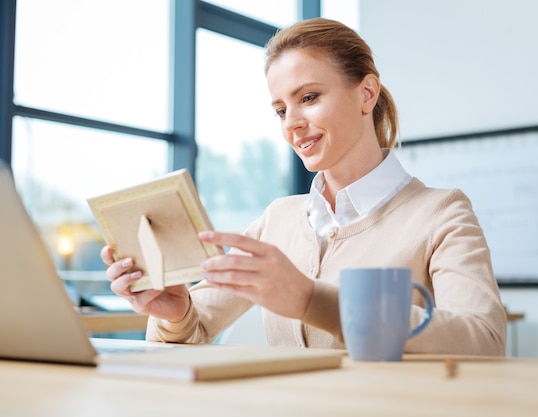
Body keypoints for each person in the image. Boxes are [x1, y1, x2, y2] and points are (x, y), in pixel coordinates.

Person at [102, 18, 507, 356]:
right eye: (280, 110)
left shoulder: (441, 213)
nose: (291, 123)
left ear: (366, 93)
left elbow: (484, 341)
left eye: (308, 97)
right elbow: (189, 331)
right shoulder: (277, 219)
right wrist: (176, 312)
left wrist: (313, 300)